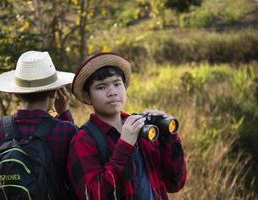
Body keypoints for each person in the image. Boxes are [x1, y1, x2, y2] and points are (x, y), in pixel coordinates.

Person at [67, 52, 187, 200]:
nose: (112, 92)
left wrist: (168, 138)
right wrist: (125, 146)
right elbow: (94, 195)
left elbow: (175, 183)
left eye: (117, 84)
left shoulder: (143, 129)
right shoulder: (84, 140)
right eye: (101, 87)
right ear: (87, 96)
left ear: (124, 87)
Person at [0, 50, 77, 198]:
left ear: (17, 92)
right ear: (54, 92)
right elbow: (71, 173)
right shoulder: (65, 130)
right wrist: (65, 114)